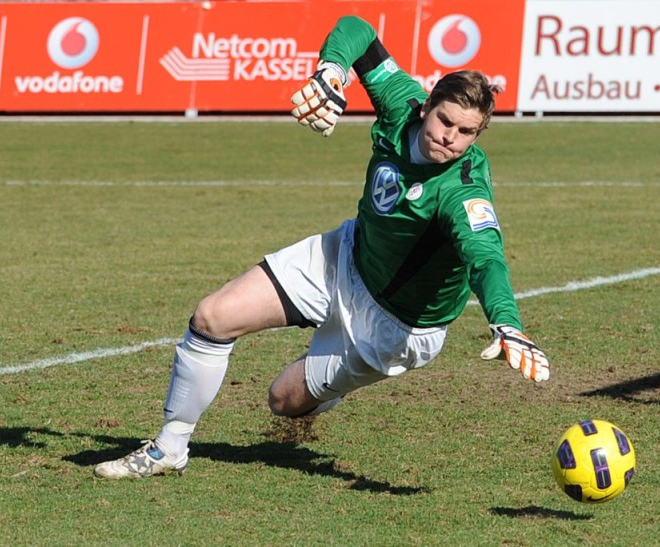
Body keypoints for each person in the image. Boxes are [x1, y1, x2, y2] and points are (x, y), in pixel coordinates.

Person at [94, 15, 550, 479]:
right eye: (445, 121)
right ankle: (170, 447)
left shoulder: (464, 191)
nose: (450, 137)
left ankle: (327, 380)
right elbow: (358, 29)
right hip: (344, 256)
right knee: (213, 317)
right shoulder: (400, 105)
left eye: (466, 132)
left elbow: (486, 258)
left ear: (479, 134)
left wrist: (506, 322)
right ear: (427, 105)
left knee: (283, 400)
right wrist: (331, 72)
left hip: (397, 328)